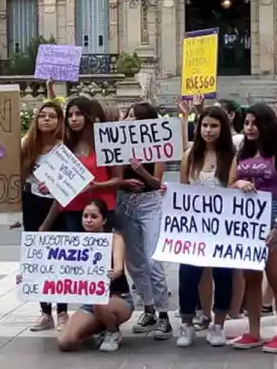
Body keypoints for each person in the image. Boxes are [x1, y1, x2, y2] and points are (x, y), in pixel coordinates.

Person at [228, 103, 277, 353]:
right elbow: (230, 185)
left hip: (272, 217)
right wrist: (240, 183)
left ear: (266, 126)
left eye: (255, 123)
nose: (249, 128)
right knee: (251, 277)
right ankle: (253, 331)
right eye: (246, 123)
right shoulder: (241, 154)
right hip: (245, 222)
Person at [175, 105, 237, 348]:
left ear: (223, 129)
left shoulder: (232, 157)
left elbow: (232, 189)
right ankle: (187, 323)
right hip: (193, 227)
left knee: (223, 275)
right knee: (187, 274)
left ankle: (219, 324)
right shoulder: (189, 156)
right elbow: (181, 189)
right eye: (204, 125)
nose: (208, 131)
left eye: (214, 126)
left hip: (222, 228)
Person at [119, 102, 172, 340]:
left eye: (134, 116)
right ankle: (148, 308)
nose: (129, 119)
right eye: (128, 115)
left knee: (153, 260)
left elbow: (157, 183)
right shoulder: (120, 145)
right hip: (126, 203)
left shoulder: (157, 145)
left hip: (150, 203)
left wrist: (140, 171)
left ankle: (164, 315)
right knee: (134, 262)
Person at [55, 199, 133, 352]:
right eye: (85, 216)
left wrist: (115, 271)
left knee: (100, 303)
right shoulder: (76, 242)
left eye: (93, 216)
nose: (89, 220)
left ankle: (112, 331)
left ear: (103, 219)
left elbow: (118, 267)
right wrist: (30, 278)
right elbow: (57, 271)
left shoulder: (115, 239)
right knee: (65, 342)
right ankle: (96, 328)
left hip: (117, 298)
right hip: (90, 303)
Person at [41, 96, 126, 233]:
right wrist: (51, 186)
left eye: (78, 114)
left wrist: (96, 185)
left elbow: (118, 179)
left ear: (89, 115)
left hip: (101, 211)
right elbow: (60, 192)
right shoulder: (65, 147)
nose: (73, 119)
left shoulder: (108, 143)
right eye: (69, 115)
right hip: (72, 210)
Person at [20, 100, 67, 331]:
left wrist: (46, 224)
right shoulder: (26, 145)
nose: (46, 119)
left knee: (59, 257)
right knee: (37, 257)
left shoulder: (64, 148)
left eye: (52, 116)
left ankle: (63, 311)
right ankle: (45, 311)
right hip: (32, 203)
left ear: (59, 121)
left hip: (57, 205)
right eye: (42, 116)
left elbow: (66, 188)